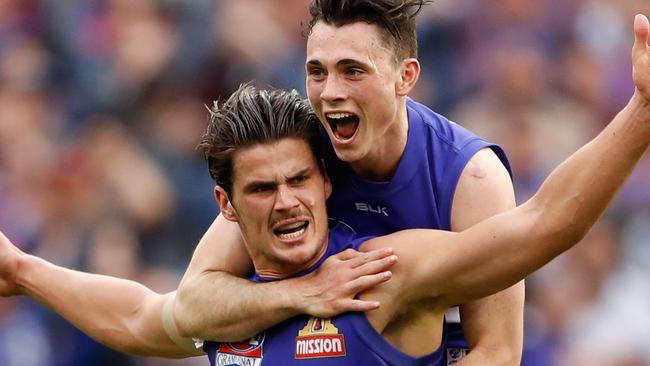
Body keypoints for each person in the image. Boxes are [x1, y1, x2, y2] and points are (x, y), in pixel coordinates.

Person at [1, 19, 650, 361]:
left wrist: (640, 115)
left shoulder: (378, 271)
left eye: (298, 181)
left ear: (323, 180)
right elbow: (147, 317)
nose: (287, 200)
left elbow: (545, 227)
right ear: (226, 206)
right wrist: (24, 270)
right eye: (262, 190)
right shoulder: (232, 301)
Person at [175, 1, 523, 364]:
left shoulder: (472, 178)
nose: (329, 93)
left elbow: (497, 351)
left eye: (352, 71)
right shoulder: (304, 155)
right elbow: (195, 302)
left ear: (405, 77)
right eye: (317, 72)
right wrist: (306, 291)